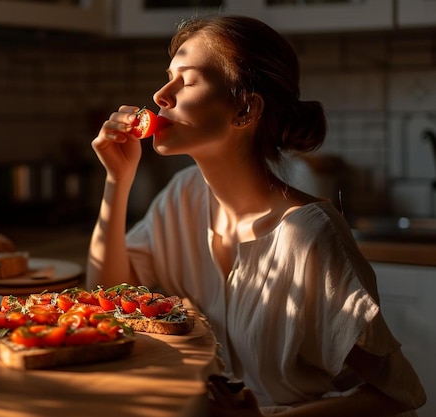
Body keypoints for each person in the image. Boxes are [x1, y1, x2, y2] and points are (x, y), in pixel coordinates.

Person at [87, 15, 426, 417]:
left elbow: (397, 396)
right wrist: (117, 181)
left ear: (245, 108)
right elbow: (108, 300)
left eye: (187, 80)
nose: (161, 95)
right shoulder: (182, 195)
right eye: (167, 77)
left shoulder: (309, 235)